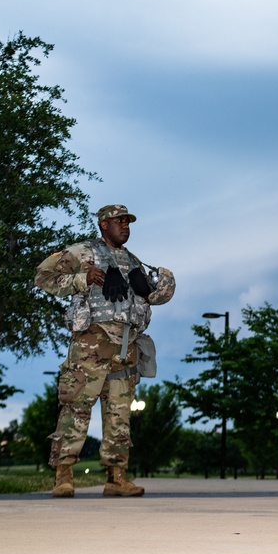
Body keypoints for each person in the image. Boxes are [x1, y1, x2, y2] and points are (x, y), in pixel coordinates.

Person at [35, 204, 175, 498]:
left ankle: (117, 478)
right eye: (118, 222)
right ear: (103, 225)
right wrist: (83, 279)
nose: (125, 227)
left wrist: (160, 288)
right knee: (76, 408)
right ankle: (63, 476)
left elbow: (150, 297)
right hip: (91, 345)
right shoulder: (82, 252)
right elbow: (43, 278)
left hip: (126, 346)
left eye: (127, 222)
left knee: (119, 415)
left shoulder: (135, 261)